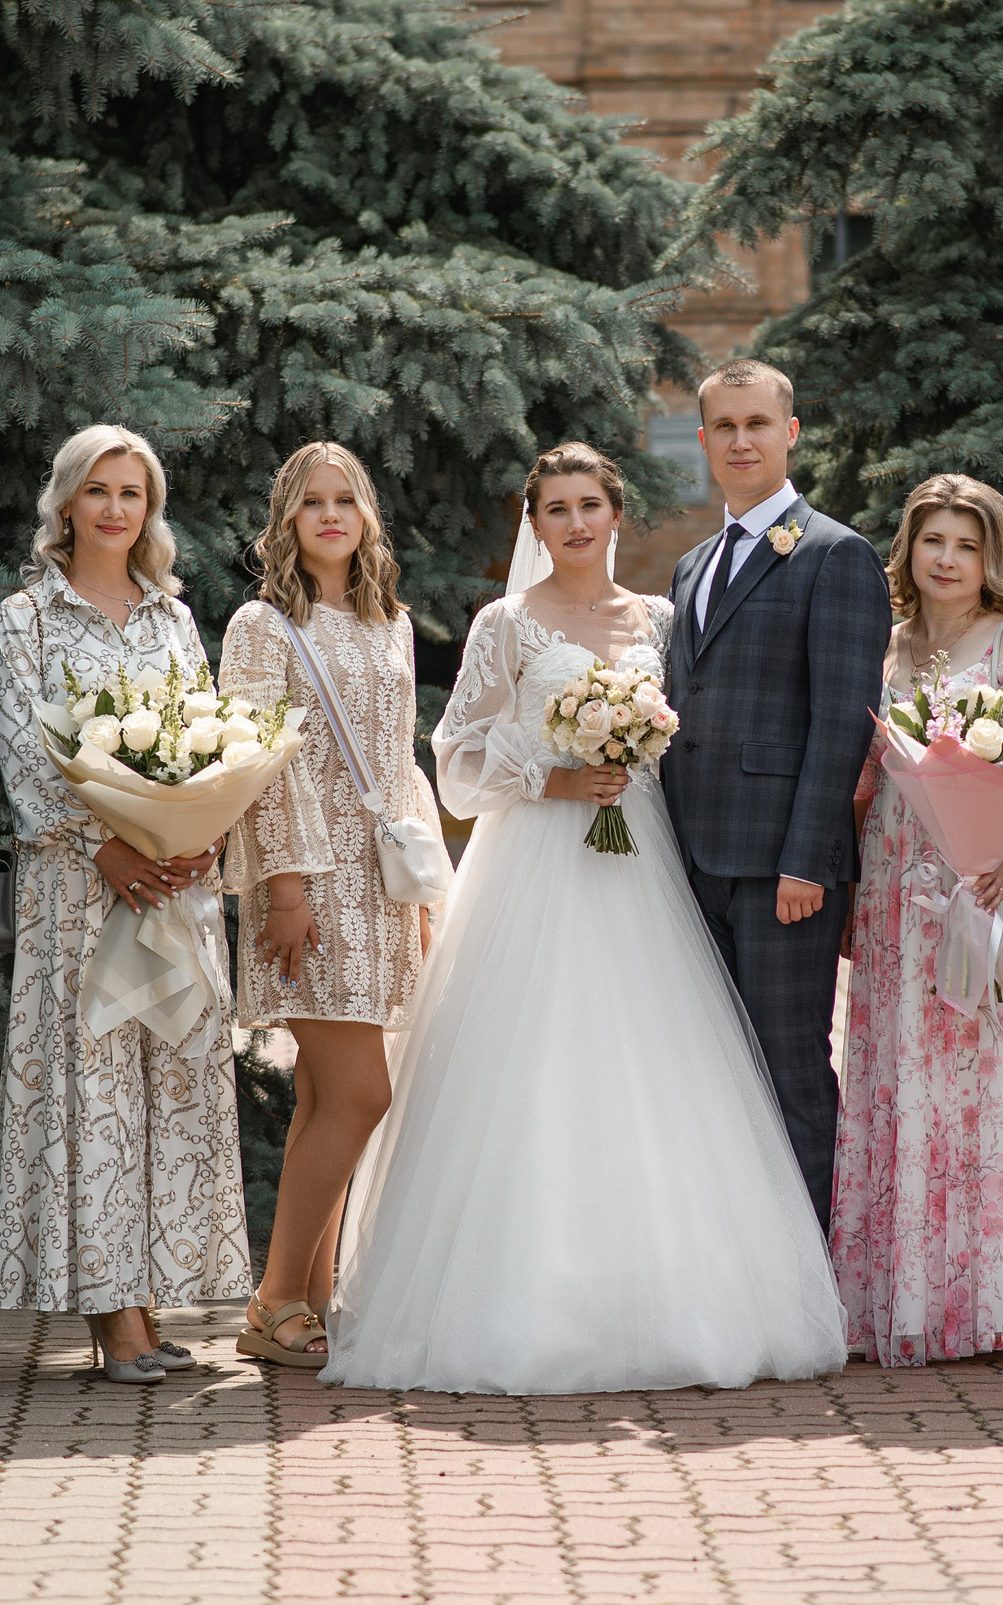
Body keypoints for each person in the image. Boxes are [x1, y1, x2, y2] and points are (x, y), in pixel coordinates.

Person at [322, 443, 845, 1394]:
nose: (574, 523)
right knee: (535, 1065)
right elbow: (459, 762)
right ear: (535, 523)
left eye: (590, 505)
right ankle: (522, 1300)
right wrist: (554, 775)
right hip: (534, 863)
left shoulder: (661, 616)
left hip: (643, 856)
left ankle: (664, 1294)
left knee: (656, 1062)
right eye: (555, 508)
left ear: (616, 515)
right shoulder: (505, 623)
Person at [0, 425, 254, 1384]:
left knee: (169, 1084)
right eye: (97, 490)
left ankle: (153, 1295)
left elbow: (212, 740)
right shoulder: (26, 620)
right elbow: (26, 763)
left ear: (150, 508)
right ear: (65, 502)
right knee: (91, 1088)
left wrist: (200, 833)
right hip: (80, 890)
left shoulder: (174, 616)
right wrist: (110, 849)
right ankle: (113, 1315)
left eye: (132, 492)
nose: (115, 508)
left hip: (174, 887)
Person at [832, 473, 1003, 1367]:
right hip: (892, 887)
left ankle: (997, 1299)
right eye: (932, 541)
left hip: (984, 883)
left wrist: (993, 857)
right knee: (898, 1072)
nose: (947, 559)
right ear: (909, 551)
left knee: (990, 1077)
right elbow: (869, 772)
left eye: (966, 544)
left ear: (991, 556)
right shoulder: (886, 645)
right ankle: (901, 1300)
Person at [661, 359, 894, 1227]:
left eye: (757, 423)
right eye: (724, 427)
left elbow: (842, 723)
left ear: (789, 433)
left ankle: (820, 1276)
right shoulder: (690, 567)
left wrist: (807, 860)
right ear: (705, 442)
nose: (741, 440)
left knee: (791, 1065)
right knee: (716, 1069)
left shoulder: (835, 553)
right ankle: (743, 1258)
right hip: (692, 860)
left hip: (783, 872)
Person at [220, 442, 437, 1371]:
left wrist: (421, 885)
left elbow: (399, 757)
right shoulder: (263, 625)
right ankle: (273, 1299)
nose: (332, 515)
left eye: (346, 499)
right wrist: (288, 885)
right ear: (287, 519)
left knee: (322, 1092)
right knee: (362, 1091)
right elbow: (256, 764)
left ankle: (300, 1301)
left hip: (380, 883)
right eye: (312, 502)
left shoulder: (391, 621)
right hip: (306, 883)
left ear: (368, 515)